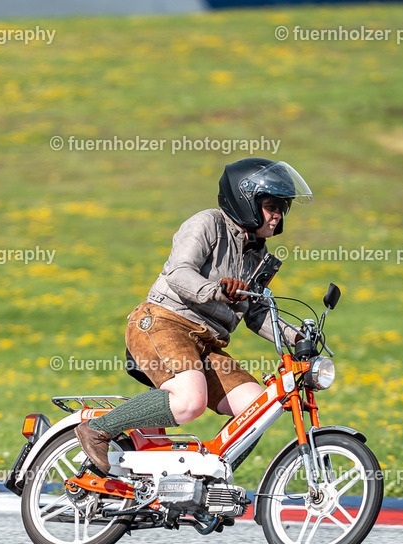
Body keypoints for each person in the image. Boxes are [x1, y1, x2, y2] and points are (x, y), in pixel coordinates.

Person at [75, 157, 313, 473]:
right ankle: (98, 429)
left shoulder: (259, 256)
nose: (278, 215)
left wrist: (298, 337)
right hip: (162, 321)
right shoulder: (207, 223)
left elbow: (255, 313)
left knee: (258, 407)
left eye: (283, 208)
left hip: (207, 343)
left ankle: (209, 478)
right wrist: (216, 291)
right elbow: (179, 272)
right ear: (246, 200)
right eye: (271, 205)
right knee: (190, 400)